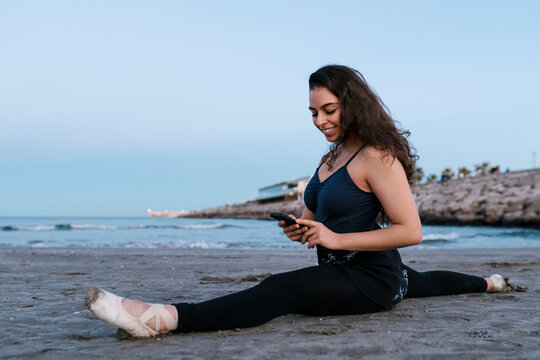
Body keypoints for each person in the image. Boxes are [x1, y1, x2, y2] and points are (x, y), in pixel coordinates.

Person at [86, 65, 506, 338]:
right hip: (349, 271)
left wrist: (334, 239)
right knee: (425, 283)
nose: (320, 121)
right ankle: (490, 283)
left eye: (328, 110)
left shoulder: (377, 156)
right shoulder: (331, 158)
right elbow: (315, 219)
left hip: (370, 278)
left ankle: (164, 319)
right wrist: (299, 226)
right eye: (312, 113)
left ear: (353, 106)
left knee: (280, 291)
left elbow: (410, 231)